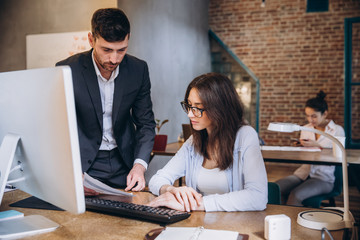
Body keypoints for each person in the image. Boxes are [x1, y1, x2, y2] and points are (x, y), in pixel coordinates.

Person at [56, 8, 155, 193]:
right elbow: (58, 127)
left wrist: (139, 166)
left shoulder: (138, 70)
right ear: (91, 40)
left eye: (121, 50)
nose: (114, 58)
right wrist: (71, 170)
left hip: (125, 165)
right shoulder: (67, 70)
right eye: (106, 50)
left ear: (128, 38)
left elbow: (146, 124)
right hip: (85, 166)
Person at [148, 73, 267, 212]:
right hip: (199, 225)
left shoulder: (245, 136)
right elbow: (156, 179)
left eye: (198, 108)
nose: (190, 114)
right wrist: (170, 189)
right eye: (189, 106)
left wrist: (195, 204)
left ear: (219, 108)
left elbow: (258, 197)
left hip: (235, 227)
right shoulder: (194, 142)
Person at [276, 91, 345, 206]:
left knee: (295, 194)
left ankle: (294, 222)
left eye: (314, 116)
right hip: (302, 174)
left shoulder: (337, 130)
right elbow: (304, 155)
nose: (310, 120)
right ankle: (282, 217)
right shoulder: (306, 129)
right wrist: (300, 148)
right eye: (307, 116)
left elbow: (339, 155)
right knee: (276, 188)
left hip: (323, 178)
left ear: (325, 114)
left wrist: (318, 146)